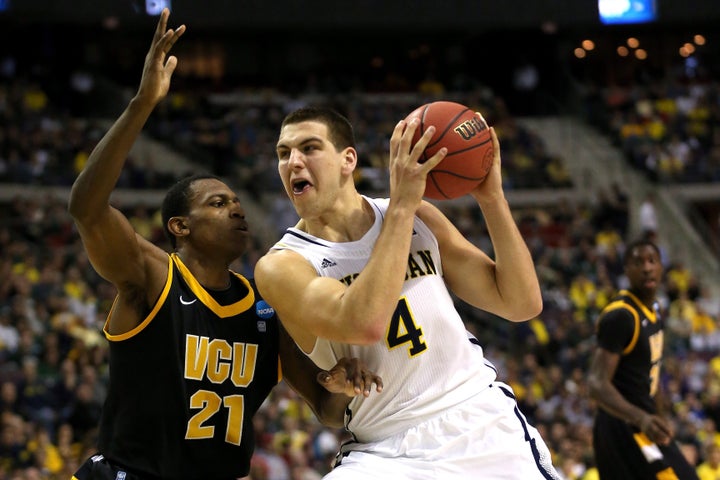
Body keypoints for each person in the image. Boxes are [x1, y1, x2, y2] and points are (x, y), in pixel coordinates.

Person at [67, 10, 381, 480]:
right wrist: (142, 104)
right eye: (217, 203)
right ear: (179, 226)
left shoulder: (265, 306)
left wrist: (340, 387)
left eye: (236, 202)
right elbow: (87, 208)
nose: (237, 209)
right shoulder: (152, 275)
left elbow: (326, 408)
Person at [254, 106, 560, 478]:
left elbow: (520, 303)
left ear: (347, 159)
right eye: (284, 154)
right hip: (383, 450)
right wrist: (401, 206)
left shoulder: (420, 217)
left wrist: (492, 199)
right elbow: (364, 324)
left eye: (309, 148)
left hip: (478, 421)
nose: (293, 163)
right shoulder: (283, 264)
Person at [587, 238, 699, 479]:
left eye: (652, 261)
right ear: (626, 270)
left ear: (661, 267)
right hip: (622, 425)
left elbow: (652, 371)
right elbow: (596, 384)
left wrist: (659, 415)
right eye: (638, 262)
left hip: (642, 420)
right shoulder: (621, 316)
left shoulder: (655, 309)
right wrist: (643, 418)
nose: (647, 267)